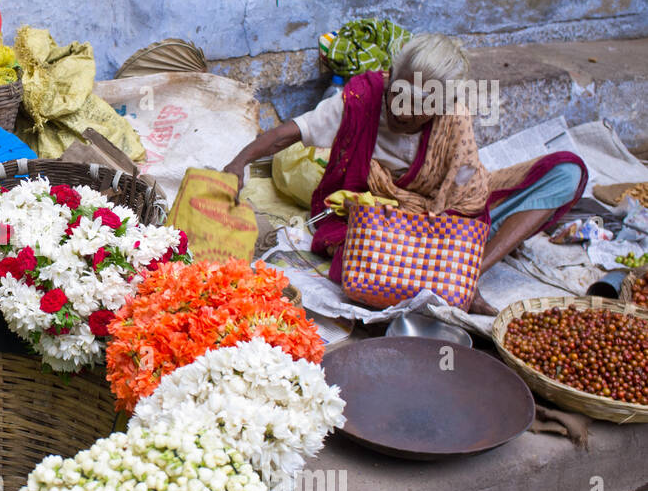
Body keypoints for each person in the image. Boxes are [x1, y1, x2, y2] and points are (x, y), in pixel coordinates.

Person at [223, 33, 586, 315]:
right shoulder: (364, 100)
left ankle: (470, 274)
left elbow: (467, 202)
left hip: (445, 221)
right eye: (399, 93)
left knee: (565, 172)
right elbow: (288, 133)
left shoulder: (453, 122)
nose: (403, 111)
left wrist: (459, 255)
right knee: (366, 262)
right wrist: (239, 162)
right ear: (391, 76)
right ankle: (445, 274)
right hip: (378, 223)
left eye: (419, 106)